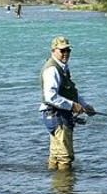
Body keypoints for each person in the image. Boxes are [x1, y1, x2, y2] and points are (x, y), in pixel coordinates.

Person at [39, 36, 95, 170]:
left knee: (55, 155)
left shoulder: (63, 68)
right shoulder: (52, 69)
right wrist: (73, 105)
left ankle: (56, 186)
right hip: (57, 116)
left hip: (57, 115)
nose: (66, 54)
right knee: (65, 156)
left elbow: (71, 91)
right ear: (53, 50)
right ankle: (66, 189)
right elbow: (50, 97)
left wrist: (84, 105)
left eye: (68, 50)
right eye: (62, 50)